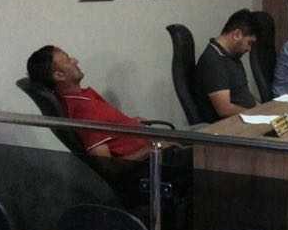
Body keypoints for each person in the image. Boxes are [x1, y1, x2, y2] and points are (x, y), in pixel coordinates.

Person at [26, 46, 179, 161]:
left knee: (193, 131)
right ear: (59, 75)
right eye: (68, 60)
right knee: (195, 138)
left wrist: (131, 123)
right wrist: (155, 147)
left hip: (153, 144)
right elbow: (110, 167)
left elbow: (109, 128)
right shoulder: (83, 110)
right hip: (157, 161)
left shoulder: (84, 96)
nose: (75, 60)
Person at [196, 10, 259, 118]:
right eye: (249, 43)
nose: (249, 49)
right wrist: (255, 114)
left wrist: (264, 110)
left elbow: (243, 94)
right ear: (237, 34)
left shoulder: (232, 56)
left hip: (248, 117)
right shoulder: (213, 61)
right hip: (232, 123)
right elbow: (225, 109)